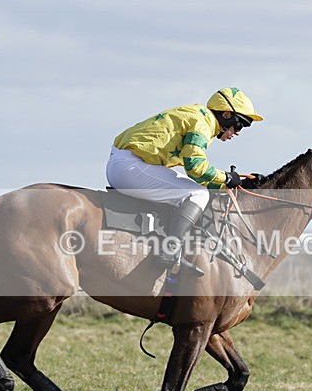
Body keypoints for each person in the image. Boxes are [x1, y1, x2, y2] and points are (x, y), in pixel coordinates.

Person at [107, 87, 263, 267]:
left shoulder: (199, 116)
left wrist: (231, 186)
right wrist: (227, 177)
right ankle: (171, 249)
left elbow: (198, 176)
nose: (237, 132)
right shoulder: (202, 123)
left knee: (197, 191)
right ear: (226, 115)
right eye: (239, 125)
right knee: (198, 195)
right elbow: (196, 168)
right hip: (130, 166)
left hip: (128, 164)